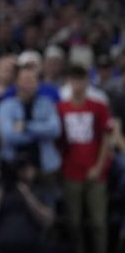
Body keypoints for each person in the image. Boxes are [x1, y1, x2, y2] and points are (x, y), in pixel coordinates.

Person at [56, 64, 111, 253]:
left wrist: (99, 165)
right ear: (69, 82)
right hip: (71, 171)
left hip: (96, 171)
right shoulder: (60, 108)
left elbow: (107, 137)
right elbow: (58, 141)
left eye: (81, 80)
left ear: (87, 82)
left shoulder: (99, 107)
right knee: (74, 223)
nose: (78, 84)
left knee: (99, 223)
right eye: (74, 80)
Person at [0, 151, 55, 253]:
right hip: (0, 248)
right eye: (20, 167)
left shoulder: (40, 190)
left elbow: (48, 220)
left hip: (31, 247)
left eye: (27, 167)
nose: (23, 171)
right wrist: (4, 187)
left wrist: (26, 193)